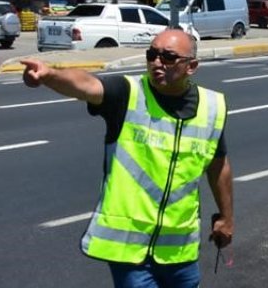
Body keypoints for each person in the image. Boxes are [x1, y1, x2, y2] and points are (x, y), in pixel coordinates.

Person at [20, 29, 233, 288]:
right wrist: (50, 75)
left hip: (180, 250)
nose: (156, 62)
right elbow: (87, 85)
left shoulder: (212, 108)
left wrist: (226, 217)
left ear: (192, 66)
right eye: (152, 54)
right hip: (130, 251)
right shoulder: (128, 93)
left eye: (168, 57)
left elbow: (218, 164)